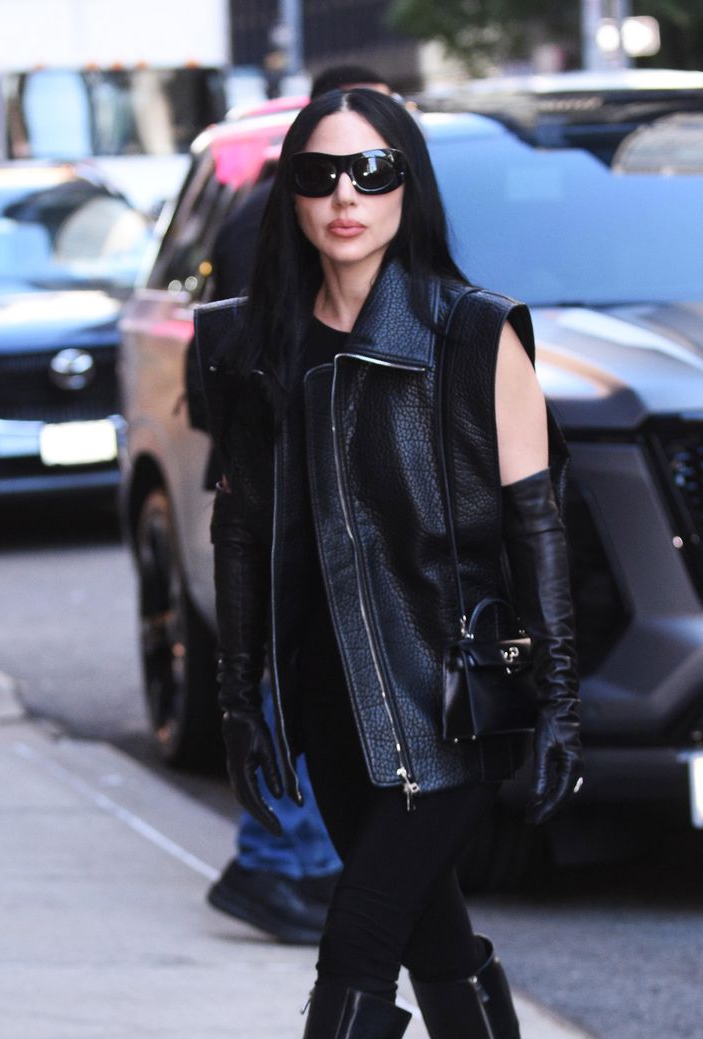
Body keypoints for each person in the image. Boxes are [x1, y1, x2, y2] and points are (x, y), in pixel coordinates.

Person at [194, 86, 582, 1039]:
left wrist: (558, 708)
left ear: (408, 185)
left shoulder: (472, 334)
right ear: (290, 198)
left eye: (371, 172)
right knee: (431, 935)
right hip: (328, 708)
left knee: (356, 943)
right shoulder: (253, 342)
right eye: (319, 176)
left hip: (443, 703)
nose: (345, 198)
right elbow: (242, 527)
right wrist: (240, 697)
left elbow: (537, 528)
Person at [202, 65, 394, 945]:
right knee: (296, 672)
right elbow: (258, 350)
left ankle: (296, 859)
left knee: (310, 674)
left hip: (300, 474)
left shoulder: (285, 210)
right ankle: (274, 861)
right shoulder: (277, 218)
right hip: (287, 479)